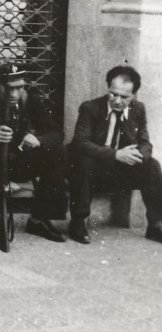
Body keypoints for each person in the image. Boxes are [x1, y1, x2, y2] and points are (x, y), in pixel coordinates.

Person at [0, 63, 68, 243]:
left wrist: (39, 140)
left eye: (19, 87)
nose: (14, 94)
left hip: (16, 162)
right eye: (9, 88)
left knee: (56, 151)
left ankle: (38, 219)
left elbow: (57, 132)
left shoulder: (29, 100)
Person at [68, 65, 162, 245]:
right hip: (92, 168)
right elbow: (80, 143)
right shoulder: (90, 108)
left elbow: (145, 142)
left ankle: (156, 225)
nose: (117, 100)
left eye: (124, 97)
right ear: (108, 89)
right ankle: (78, 222)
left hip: (119, 170)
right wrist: (115, 154)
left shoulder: (137, 109)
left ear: (133, 95)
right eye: (113, 94)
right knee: (85, 162)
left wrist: (139, 154)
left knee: (153, 166)